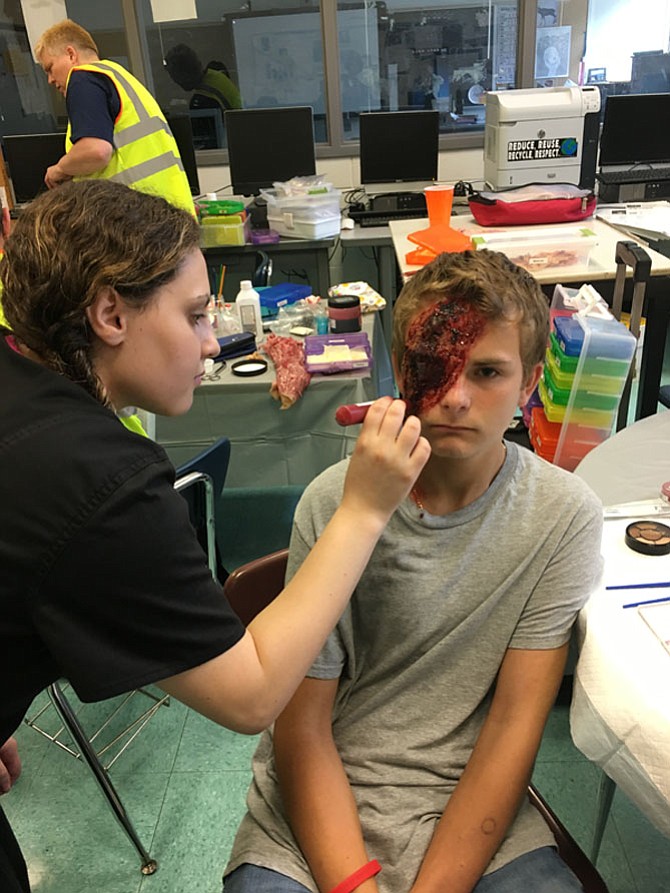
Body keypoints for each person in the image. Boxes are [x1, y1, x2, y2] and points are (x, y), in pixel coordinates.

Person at [0, 179, 430, 893]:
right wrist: (364, 508)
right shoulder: (101, 481)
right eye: (196, 314)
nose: (211, 341)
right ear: (110, 312)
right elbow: (252, 694)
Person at [223, 250, 604, 893]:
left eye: (486, 372)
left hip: (469, 800)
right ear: (402, 369)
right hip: (317, 804)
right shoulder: (334, 502)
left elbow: (514, 727)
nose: (455, 396)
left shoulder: (562, 517)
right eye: (433, 369)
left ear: (530, 382)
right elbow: (304, 727)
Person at [35, 19, 194, 213]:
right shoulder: (119, 76)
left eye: (50, 68)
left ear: (71, 54)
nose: (50, 80)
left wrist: (59, 169)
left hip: (139, 221)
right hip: (171, 216)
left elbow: (96, 151)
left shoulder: (83, 78)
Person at [164, 44, 242, 115]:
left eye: (174, 76)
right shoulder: (217, 76)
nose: (175, 82)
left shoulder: (202, 101)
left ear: (183, 76)